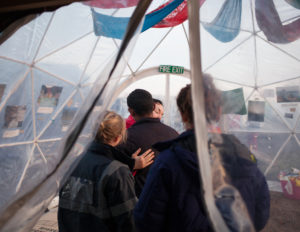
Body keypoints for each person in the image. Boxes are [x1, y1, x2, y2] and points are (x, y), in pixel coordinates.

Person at [134, 75, 270, 232]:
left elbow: (146, 220)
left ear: (183, 115)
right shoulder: (243, 155)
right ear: (219, 112)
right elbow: (260, 212)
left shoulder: (167, 162)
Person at [58, 111, 154, 232]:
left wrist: (130, 163)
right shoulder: (117, 172)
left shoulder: (73, 162)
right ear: (118, 138)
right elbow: (128, 221)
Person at [118, 89, 178, 197]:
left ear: (131, 111)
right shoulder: (174, 135)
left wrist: (132, 163)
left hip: (140, 200)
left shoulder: (126, 137)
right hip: (169, 199)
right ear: (153, 107)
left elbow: (115, 172)